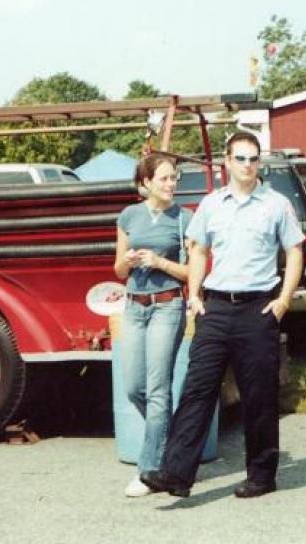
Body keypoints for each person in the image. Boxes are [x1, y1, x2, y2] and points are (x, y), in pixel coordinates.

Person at [141, 131, 304, 499]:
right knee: (198, 388)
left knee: (258, 395)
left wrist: (284, 301)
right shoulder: (212, 204)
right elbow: (198, 251)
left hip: (257, 309)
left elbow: (295, 252)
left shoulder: (276, 205)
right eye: (241, 158)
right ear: (227, 162)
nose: (248, 165)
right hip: (215, 308)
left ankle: (261, 476)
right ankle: (175, 474)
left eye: (253, 158)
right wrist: (195, 294)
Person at [114, 153, 193, 498]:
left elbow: (193, 273)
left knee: (159, 390)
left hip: (167, 306)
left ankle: (148, 470)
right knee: (134, 388)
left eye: (173, 178)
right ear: (145, 183)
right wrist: (129, 261)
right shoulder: (128, 216)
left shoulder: (184, 219)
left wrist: (159, 261)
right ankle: (172, 441)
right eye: (163, 178)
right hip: (133, 306)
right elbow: (117, 270)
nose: (171, 184)